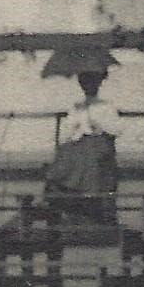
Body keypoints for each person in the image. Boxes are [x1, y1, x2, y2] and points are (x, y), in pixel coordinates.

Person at [44, 71, 122, 224]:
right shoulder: (77, 106)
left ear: (98, 85)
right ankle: (61, 194)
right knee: (65, 153)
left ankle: (89, 197)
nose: (89, 88)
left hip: (99, 142)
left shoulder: (106, 105)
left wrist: (100, 125)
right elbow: (67, 130)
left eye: (92, 84)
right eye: (85, 84)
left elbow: (117, 129)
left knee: (89, 156)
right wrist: (76, 127)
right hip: (79, 141)